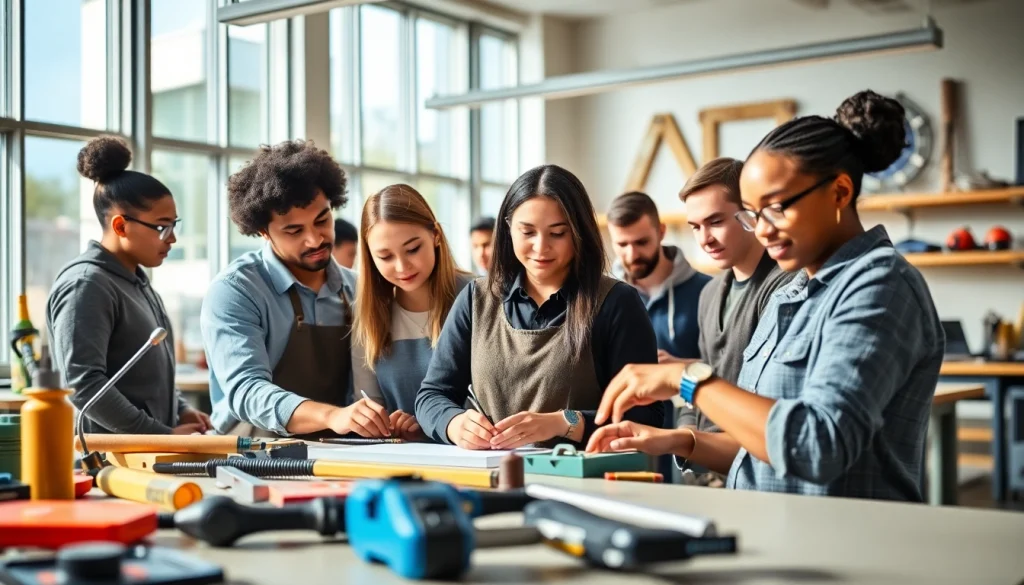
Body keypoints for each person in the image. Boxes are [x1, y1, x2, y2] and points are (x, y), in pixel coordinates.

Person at [587, 90, 945, 502]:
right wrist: (675, 441)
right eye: (753, 215)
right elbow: (762, 446)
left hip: (846, 544)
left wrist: (687, 378)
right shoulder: (792, 293)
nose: (762, 229)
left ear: (840, 193)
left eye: (776, 208)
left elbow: (815, 446)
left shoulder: (880, 285)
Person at [415, 164, 663, 450]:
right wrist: (453, 423)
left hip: (583, 484)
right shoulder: (475, 299)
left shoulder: (617, 303)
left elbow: (648, 417)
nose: (541, 247)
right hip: (488, 478)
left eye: (557, 233)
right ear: (508, 229)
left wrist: (566, 423)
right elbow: (431, 395)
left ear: (579, 232)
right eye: (527, 232)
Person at [201, 139, 390, 439]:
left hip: (335, 450)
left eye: (322, 221)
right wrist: (332, 415)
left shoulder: (357, 289)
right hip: (248, 448)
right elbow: (247, 391)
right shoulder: (236, 291)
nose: (315, 240)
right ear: (263, 231)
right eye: (294, 231)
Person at [47, 136, 210, 435]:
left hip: (144, 457)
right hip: (107, 469)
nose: (172, 238)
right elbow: (83, 386)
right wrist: (163, 438)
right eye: (163, 227)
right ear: (120, 226)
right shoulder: (86, 285)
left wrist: (181, 411)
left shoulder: (137, 283)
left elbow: (147, 377)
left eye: (175, 225)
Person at [352, 184, 473, 438]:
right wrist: (381, 426)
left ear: (436, 235)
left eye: (413, 249)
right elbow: (368, 404)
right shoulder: (369, 315)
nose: (402, 266)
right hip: (403, 460)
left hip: (475, 454)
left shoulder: (479, 297)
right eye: (385, 257)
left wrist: (434, 424)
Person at [607, 192, 710, 362]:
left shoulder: (708, 291)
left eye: (642, 242)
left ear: (661, 232)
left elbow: (731, 369)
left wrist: (680, 368)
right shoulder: (604, 298)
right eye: (622, 244)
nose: (632, 255)